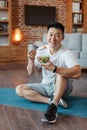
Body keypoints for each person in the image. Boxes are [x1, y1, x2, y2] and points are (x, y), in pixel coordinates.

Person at [16, 21, 81, 124]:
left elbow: (77, 73)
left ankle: (54, 105)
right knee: (19, 89)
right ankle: (50, 101)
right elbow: (30, 73)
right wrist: (31, 60)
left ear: (62, 38)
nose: (53, 38)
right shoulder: (41, 51)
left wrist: (55, 69)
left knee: (60, 72)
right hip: (46, 86)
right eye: (51, 34)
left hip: (63, 87)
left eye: (57, 35)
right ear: (47, 36)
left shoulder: (67, 53)